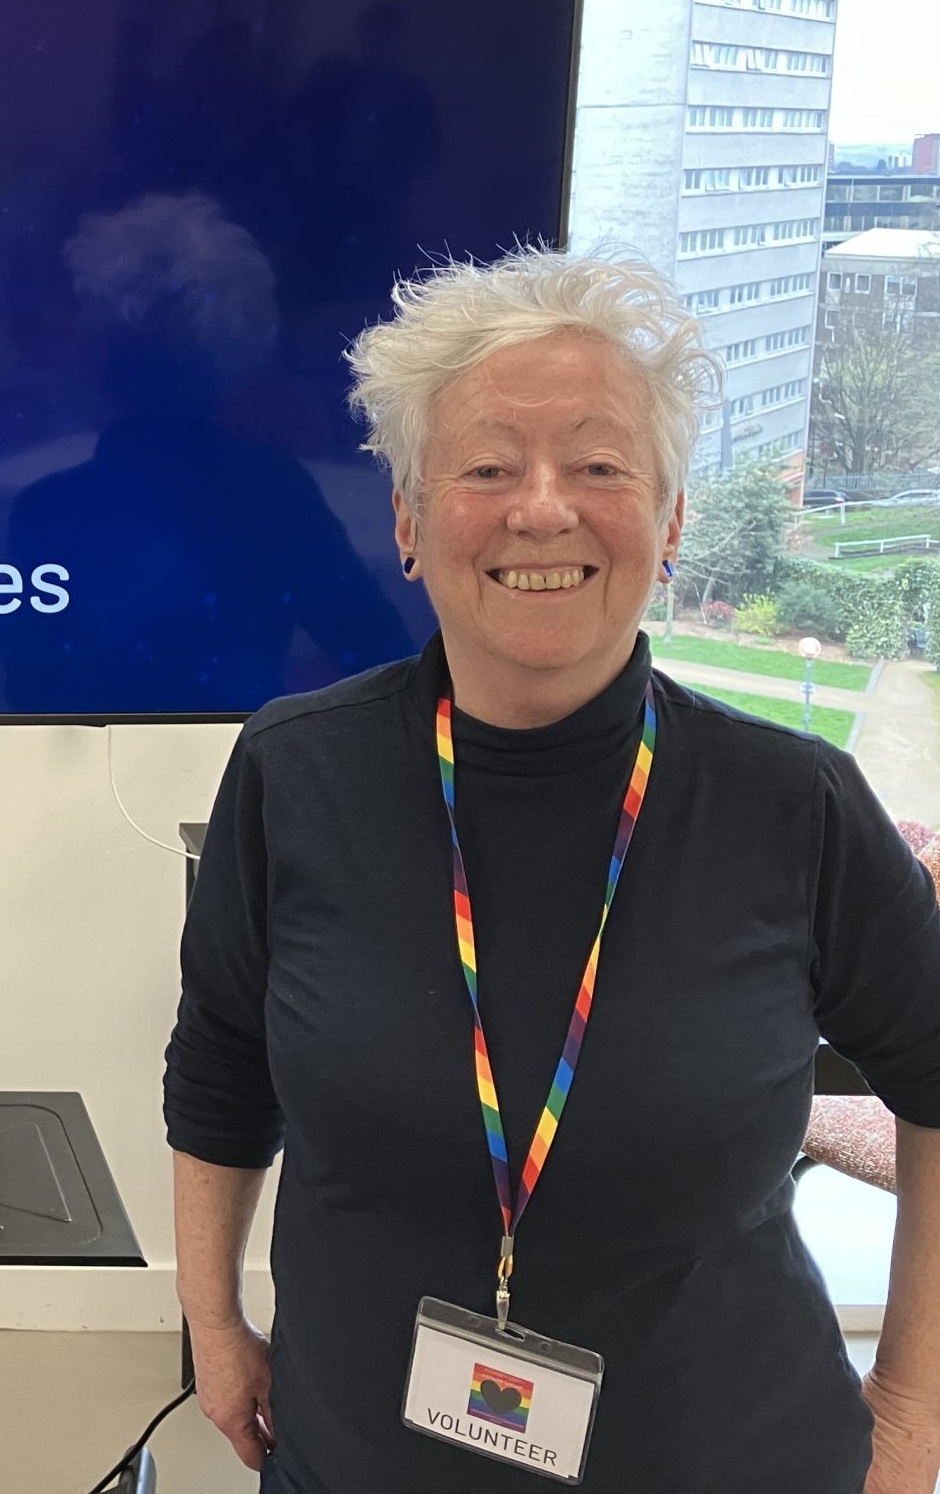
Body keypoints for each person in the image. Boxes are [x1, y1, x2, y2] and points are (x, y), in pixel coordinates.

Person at [165, 249, 940, 1492]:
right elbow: (217, 1064)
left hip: (728, 1459)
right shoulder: (294, 772)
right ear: (410, 525)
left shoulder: (791, 805)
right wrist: (210, 1324)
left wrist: (909, 1408)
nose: (541, 509)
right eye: (486, 467)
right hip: (359, 1458)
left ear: (670, 520)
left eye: (598, 466)